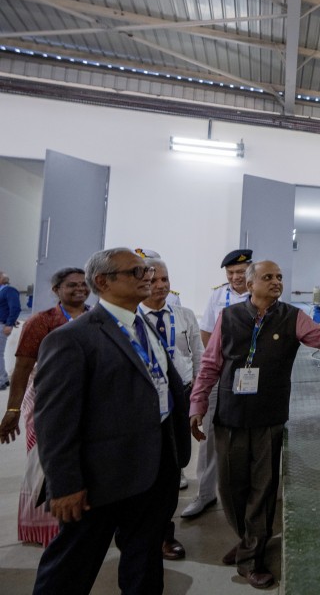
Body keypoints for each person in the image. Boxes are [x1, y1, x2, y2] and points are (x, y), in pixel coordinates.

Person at [190, 260, 320, 590]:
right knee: (230, 488)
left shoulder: (293, 317)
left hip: (268, 415)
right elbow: (209, 364)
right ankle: (247, 539)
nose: (276, 282)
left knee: (263, 488)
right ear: (250, 284)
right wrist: (198, 403)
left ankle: (251, 557)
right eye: (268, 277)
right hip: (232, 414)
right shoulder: (229, 317)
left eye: (279, 277)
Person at [32, 248, 190, 595]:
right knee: (73, 565)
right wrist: (65, 484)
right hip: (102, 477)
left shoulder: (143, 325)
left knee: (144, 559)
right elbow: (55, 420)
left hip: (156, 466)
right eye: (136, 272)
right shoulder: (72, 339)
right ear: (103, 282)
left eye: (147, 271)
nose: (148, 277)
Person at [0, 268, 89, 546]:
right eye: (72, 285)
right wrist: (12, 411)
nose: (79, 289)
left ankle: (80, 525)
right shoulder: (42, 321)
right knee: (45, 462)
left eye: (83, 284)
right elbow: (23, 369)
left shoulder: (96, 318)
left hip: (87, 402)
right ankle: (46, 530)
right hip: (47, 402)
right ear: (56, 290)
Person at [139, 259, 204, 561]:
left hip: (182, 396)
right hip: (146, 402)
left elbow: (199, 356)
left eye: (165, 279)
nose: (161, 285)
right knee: (144, 468)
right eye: (153, 280)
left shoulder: (184, 315)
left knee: (172, 467)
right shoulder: (133, 319)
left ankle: (165, 533)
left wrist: (199, 397)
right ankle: (139, 530)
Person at [182, 248, 253, 520]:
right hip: (222, 372)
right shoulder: (218, 296)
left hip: (252, 374)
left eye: (240, 272)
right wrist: (218, 362)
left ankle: (250, 493)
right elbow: (207, 332)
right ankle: (205, 493)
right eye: (231, 273)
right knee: (211, 434)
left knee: (251, 433)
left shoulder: (260, 293)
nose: (235, 277)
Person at [0, 272, 22, 390]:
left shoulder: (9, 290)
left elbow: (15, 307)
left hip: (2, 325)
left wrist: (9, 323)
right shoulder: (2, 291)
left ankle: (1, 380)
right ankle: (3, 377)